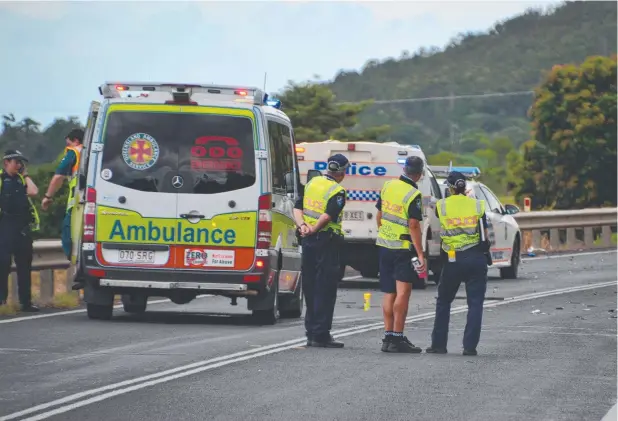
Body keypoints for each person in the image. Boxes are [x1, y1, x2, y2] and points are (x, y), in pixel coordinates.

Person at [426, 170, 490, 356]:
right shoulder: (478, 205)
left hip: (453, 259)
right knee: (475, 303)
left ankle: (438, 345)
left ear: (450, 187)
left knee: (444, 301)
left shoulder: (442, 206)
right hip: (476, 258)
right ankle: (469, 347)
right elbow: (484, 234)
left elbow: (434, 212)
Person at [293, 153, 349, 348]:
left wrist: (302, 227)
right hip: (326, 241)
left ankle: (311, 332)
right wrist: (315, 229)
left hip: (307, 241)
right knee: (325, 288)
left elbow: (297, 208)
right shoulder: (338, 190)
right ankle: (321, 334)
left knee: (310, 286)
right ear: (342, 171)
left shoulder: (312, 183)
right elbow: (327, 216)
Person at [376, 156, 426, 353]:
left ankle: (388, 337)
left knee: (389, 292)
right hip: (403, 248)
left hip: (384, 245)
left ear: (404, 169)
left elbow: (379, 215)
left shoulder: (388, 186)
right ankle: (397, 338)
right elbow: (414, 225)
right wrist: (420, 253)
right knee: (403, 292)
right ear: (419, 174)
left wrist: (384, 233)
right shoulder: (413, 194)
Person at [0, 150, 40, 311]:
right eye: (15, 162)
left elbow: (33, 192)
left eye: (20, 162)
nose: (18, 165)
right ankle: (2, 300)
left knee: (24, 266)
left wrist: (27, 175)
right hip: (5, 225)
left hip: (22, 227)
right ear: (6, 163)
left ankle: (26, 302)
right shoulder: (2, 179)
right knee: (3, 264)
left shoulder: (21, 180)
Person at [41, 129, 84, 260]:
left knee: (68, 235)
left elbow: (58, 177)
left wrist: (48, 197)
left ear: (76, 141)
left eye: (68, 143)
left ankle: (74, 262)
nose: (67, 147)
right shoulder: (93, 151)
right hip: (96, 202)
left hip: (77, 203)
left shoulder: (74, 152)